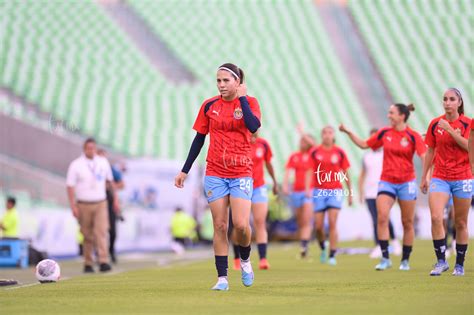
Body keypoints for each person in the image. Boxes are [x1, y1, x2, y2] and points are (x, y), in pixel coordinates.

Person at [174, 63, 261, 291]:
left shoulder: (250, 102)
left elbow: (253, 127)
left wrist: (242, 99)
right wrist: (185, 170)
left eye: (226, 81)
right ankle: (222, 278)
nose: (221, 85)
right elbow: (199, 139)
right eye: (218, 81)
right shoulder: (209, 105)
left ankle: (245, 260)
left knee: (241, 225)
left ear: (238, 82)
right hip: (215, 172)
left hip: (241, 171)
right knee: (220, 225)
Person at [340, 103, 426, 271]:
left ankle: (405, 260)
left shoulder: (413, 135)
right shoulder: (384, 133)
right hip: (387, 181)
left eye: (391, 113)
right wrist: (349, 132)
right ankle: (385, 258)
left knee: (407, 222)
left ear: (402, 116)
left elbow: (424, 156)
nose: (388, 116)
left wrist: (425, 177)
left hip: (407, 182)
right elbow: (364, 144)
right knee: (382, 217)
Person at [420, 88, 472, 276]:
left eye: (452, 99)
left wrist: (450, 130)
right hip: (440, 177)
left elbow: (469, 147)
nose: (448, 102)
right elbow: (430, 151)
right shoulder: (435, 124)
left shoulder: (468, 123)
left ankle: (459, 264)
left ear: (459, 102)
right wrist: (424, 176)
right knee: (435, 217)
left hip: (463, 177)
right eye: (445, 99)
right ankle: (441, 261)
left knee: (460, 223)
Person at [66, 138, 120, 273]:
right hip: (83, 203)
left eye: (93, 148)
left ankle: (103, 261)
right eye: (88, 148)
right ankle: (88, 262)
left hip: (100, 202)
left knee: (101, 232)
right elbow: (70, 186)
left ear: (95, 149)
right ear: (84, 149)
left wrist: (116, 200)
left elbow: (110, 182)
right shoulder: (76, 165)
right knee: (87, 234)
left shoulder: (102, 162)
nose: (91, 150)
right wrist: (73, 205)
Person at [306, 126, 352, 266]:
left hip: (335, 191)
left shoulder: (339, 152)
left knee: (332, 222)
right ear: (321, 136)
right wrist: (308, 188)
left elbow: (345, 172)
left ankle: (332, 254)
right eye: (324, 133)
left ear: (333, 135)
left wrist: (350, 192)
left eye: (330, 133)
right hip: (319, 191)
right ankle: (323, 247)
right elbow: (309, 171)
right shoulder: (314, 152)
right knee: (318, 226)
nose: (327, 135)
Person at [358, 128, 401, 259]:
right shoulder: (366, 157)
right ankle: (379, 245)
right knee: (375, 219)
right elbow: (362, 175)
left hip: (385, 190)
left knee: (385, 218)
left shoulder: (387, 154)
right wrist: (361, 192)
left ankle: (394, 241)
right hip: (370, 193)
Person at [283, 131, 315, 258]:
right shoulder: (294, 156)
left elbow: (314, 144)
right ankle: (305, 241)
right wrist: (285, 185)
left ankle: (304, 246)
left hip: (309, 191)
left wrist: (302, 131)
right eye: (301, 140)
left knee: (306, 220)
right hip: (296, 191)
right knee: (301, 221)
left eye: (304, 141)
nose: (302, 142)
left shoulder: (313, 155)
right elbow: (288, 171)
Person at [249, 132, 278, 270]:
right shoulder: (239, 141)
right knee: (240, 225)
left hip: (259, 187)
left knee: (260, 222)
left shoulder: (263, 144)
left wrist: (274, 181)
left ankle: (263, 259)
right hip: (241, 186)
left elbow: (268, 164)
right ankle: (238, 256)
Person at [98, 149, 124, 264]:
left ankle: (111, 250)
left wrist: (110, 187)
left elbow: (121, 184)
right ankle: (100, 254)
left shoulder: (111, 169)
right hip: (97, 200)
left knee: (112, 231)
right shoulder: (92, 169)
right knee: (99, 230)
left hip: (109, 199)